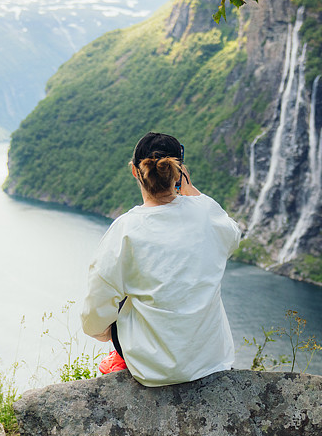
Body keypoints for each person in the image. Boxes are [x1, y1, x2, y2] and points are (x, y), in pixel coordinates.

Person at [81, 132, 242, 387]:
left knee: (121, 291)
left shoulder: (126, 229)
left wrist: (103, 332)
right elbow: (233, 236)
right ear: (179, 172)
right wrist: (193, 192)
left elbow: (97, 299)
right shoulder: (207, 213)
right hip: (211, 361)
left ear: (135, 171)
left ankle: (119, 360)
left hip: (151, 369)